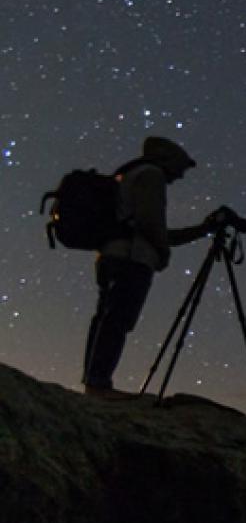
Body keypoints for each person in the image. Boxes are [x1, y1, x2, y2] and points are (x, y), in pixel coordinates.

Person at [82, 136, 218, 400]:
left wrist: (202, 231)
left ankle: (94, 382)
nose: (180, 175)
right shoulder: (151, 175)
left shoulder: (130, 174)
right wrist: (163, 253)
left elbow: (152, 229)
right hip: (131, 259)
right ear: (167, 159)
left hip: (112, 255)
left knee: (107, 318)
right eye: (180, 167)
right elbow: (149, 222)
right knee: (117, 320)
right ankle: (98, 384)